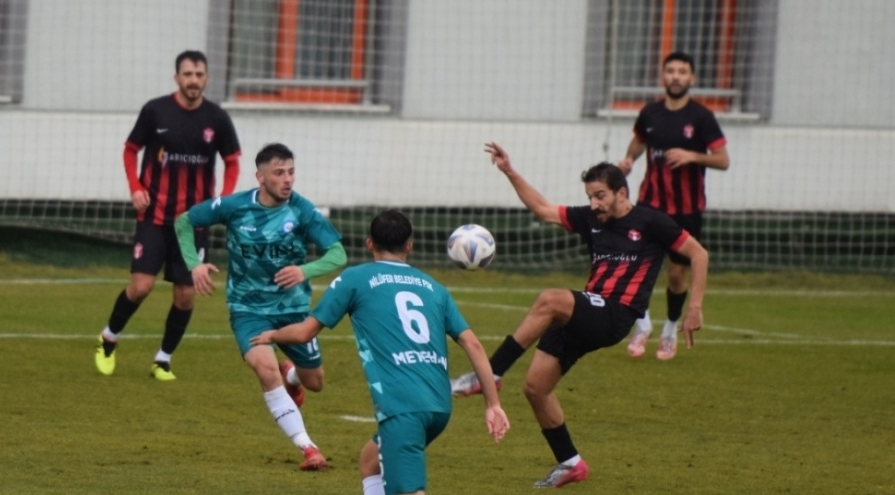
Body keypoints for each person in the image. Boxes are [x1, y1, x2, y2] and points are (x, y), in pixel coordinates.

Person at [450, 142, 708, 489]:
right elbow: (542, 209)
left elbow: (698, 253)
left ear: (621, 192)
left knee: (550, 300)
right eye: (590, 196)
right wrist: (509, 170)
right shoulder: (591, 219)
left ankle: (491, 374)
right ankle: (571, 462)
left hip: (616, 314)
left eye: (600, 195)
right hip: (588, 309)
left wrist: (694, 307)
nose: (594, 204)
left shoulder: (651, 222)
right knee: (536, 388)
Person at [250, 209, 509, 495]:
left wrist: (272, 334)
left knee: (408, 491)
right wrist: (493, 404)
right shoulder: (435, 288)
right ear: (409, 246)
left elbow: (303, 333)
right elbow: (473, 344)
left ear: (369, 243)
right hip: (439, 404)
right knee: (370, 462)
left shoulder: (355, 279)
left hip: (402, 406)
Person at [174, 142, 347, 471]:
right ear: (261, 177)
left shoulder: (302, 210)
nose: (288, 180)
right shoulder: (234, 206)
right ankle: (309, 449)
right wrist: (193, 264)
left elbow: (338, 254)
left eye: (291, 172)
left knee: (315, 382)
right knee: (265, 370)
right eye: (279, 173)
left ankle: (292, 376)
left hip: (294, 311)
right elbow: (184, 222)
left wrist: (303, 271)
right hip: (248, 309)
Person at [94, 50, 242, 380]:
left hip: (193, 222)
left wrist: (225, 198)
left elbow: (232, 159)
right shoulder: (155, 110)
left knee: (186, 294)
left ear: (207, 78)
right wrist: (135, 186)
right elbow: (130, 149)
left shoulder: (217, 118)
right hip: (154, 216)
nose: (193, 80)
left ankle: (162, 359)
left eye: (199, 74)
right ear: (177, 78)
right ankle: (108, 338)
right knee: (141, 286)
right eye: (187, 74)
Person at [617, 51, 729, 360]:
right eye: (671, 71)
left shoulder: (702, 117)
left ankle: (669, 331)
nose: (676, 76)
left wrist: (693, 155)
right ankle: (642, 326)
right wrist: (629, 160)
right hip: (650, 204)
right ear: (663, 76)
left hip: (687, 210)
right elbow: (639, 141)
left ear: (692, 79)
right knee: (634, 266)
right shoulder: (650, 112)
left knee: (677, 275)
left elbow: (723, 160)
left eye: (682, 72)